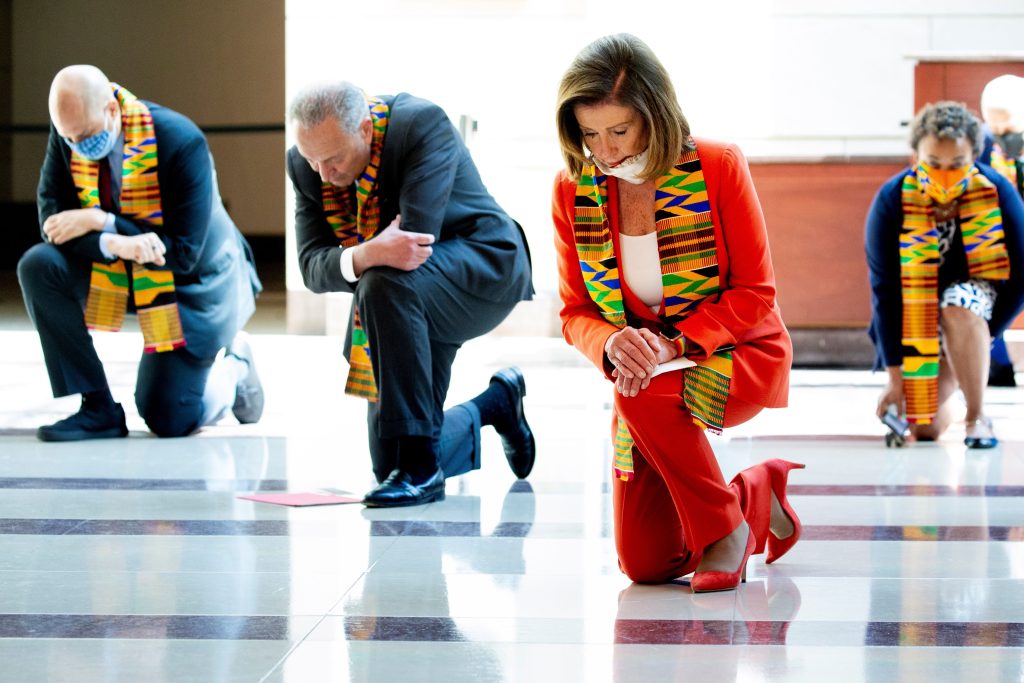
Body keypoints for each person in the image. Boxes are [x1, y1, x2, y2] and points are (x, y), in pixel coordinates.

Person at [552, 34, 801, 593]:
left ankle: (723, 531)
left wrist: (671, 346)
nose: (606, 150)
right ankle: (752, 496)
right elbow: (574, 312)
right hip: (642, 373)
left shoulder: (718, 165)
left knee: (641, 390)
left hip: (737, 354)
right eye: (590, 134)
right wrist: (610, 344)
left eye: (619, 130)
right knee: (646, 565)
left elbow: (756, 294)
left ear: (655, 114)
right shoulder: (573, 189)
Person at [286, 82, 536, 508]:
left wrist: (365, 258)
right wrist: (365, 253)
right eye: (312, 159)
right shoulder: (305, 165)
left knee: (384, 281)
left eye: (333, 159)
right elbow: (312, 267)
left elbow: (411, 244)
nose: (322, 174)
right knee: (389, 468)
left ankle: (423, 469)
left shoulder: (420, 124)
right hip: (398, 303)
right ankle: (496, 404)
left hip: (481, 269)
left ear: (365, 129)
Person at [18, 65, 264, 441]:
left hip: (194, 283)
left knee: (168, 417)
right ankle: (97, 406)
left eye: (84, 135)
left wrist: (103, 220)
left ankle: (235, 368)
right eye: (68, 138)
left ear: (112, 111)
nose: (77, 146)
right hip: (123, 264)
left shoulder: (181, 141)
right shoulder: (69, 130)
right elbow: (53, 222)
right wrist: (115, 242)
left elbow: (184, 253)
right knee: (39, 265)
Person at [866, 101, 1024, 448]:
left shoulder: (998, 192)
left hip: (973, 306)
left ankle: (977, 417)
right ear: (916, 157)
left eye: (958, 164)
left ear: (974, 157)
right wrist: (896, 378)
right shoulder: (892, 201)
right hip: (915, 317)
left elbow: (1021, 277)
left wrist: (984, 333)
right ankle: (952, 382)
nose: (944, 174)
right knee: (924, 430)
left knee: (959, 305)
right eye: (933, 164)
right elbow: (885, 293)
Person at [978, 74, 1024, 387]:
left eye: (1009, 128)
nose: (1003, 136)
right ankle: (997, 365)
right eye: (997, 129)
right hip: (993, 235)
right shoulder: (981, 145)